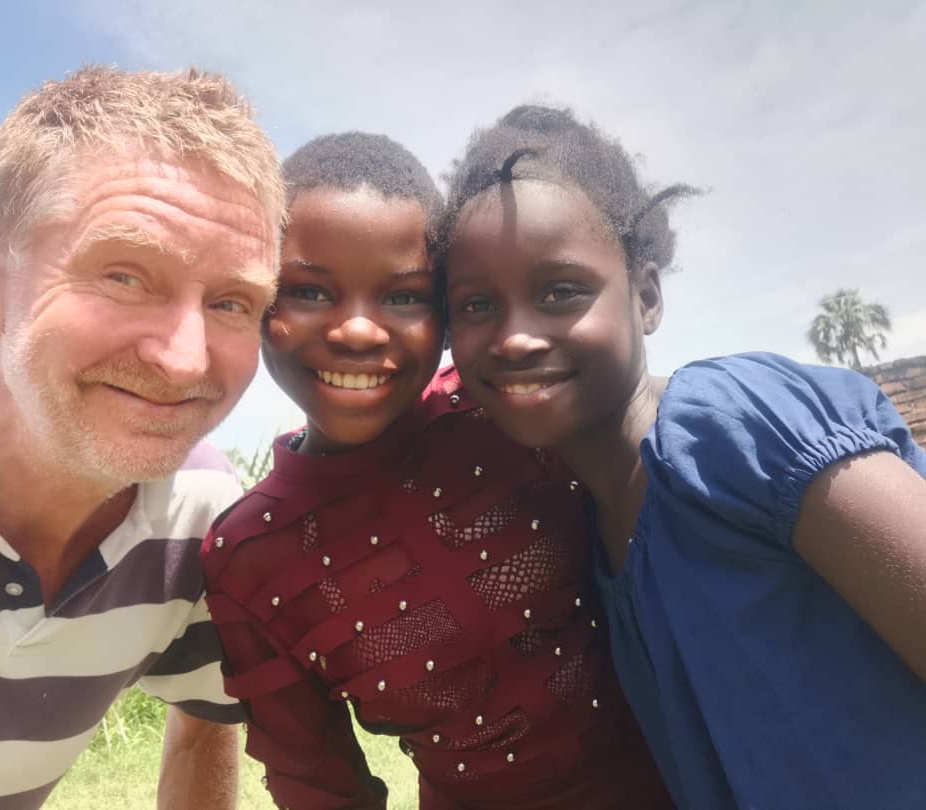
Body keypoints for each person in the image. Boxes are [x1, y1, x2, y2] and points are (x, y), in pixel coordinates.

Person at [439, 104, 926, 809]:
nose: (514, 337)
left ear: (645, 295)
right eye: (476, 306)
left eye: (560, 292)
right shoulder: (584, 532)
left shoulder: (738, 428)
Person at [0, 66, 285, 809]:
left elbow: (207, 724)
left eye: (233, 302)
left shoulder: (201, 515)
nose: (184, 359)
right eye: (124, 275)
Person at [201, 132, 672, 809]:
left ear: (448, 315)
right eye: (306, 290)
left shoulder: (507, 417)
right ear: (254, 302)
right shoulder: (247, 559)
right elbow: (315, 783)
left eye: (404, 297)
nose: (359, 331)